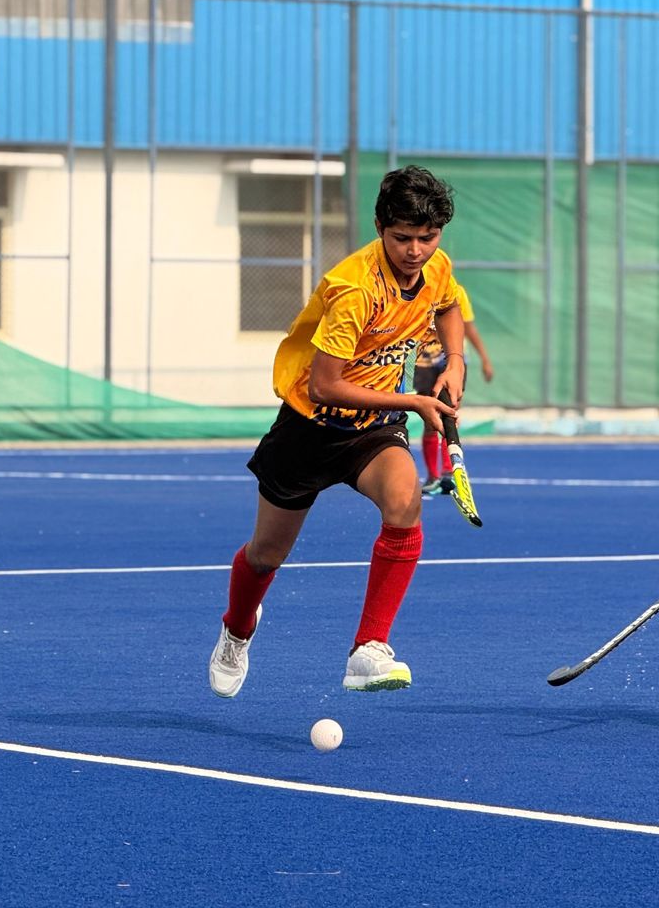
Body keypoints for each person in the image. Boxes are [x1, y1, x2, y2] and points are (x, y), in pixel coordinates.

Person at [209, 165, 466, 698]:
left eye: (427, 237)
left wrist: (456, 361)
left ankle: (368, 648)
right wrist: (415, 401)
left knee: (405, 501)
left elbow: (448, 305)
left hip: (373, 429)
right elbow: (325, 386)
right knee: (266, 554)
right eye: (402, 238)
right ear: (379, 227)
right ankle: (237, 627)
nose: (415, 251)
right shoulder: (355, 289)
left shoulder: (435, 266)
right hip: (309, 428)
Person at [416, 279, 494, 496]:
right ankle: (433, 476)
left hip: (453, 361)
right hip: (424, 362)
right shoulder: (417, 291)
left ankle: (448, 473)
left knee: (450, 413)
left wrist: (485, 359)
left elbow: (468, 328)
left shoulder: (457, 292)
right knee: (430, 418)